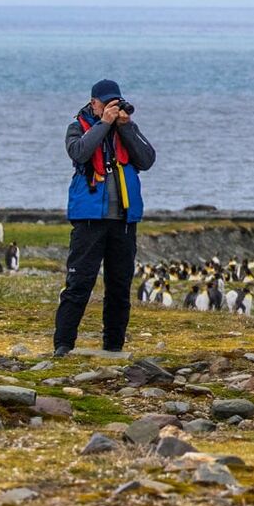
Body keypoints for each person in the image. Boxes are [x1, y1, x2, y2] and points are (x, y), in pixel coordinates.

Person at [52, 78, 156, 357]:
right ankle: (63, 345)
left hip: (123, 220)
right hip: (89, 220)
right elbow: (79, 152)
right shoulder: (77, 127)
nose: (112, 107)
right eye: (106, 103)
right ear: (94, 103)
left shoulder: (125, 129)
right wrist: (104, 124)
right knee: (79, 283)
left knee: (120, 286)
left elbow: (147, 159)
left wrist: (126, 127)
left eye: (116, 102)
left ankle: (113, 346)